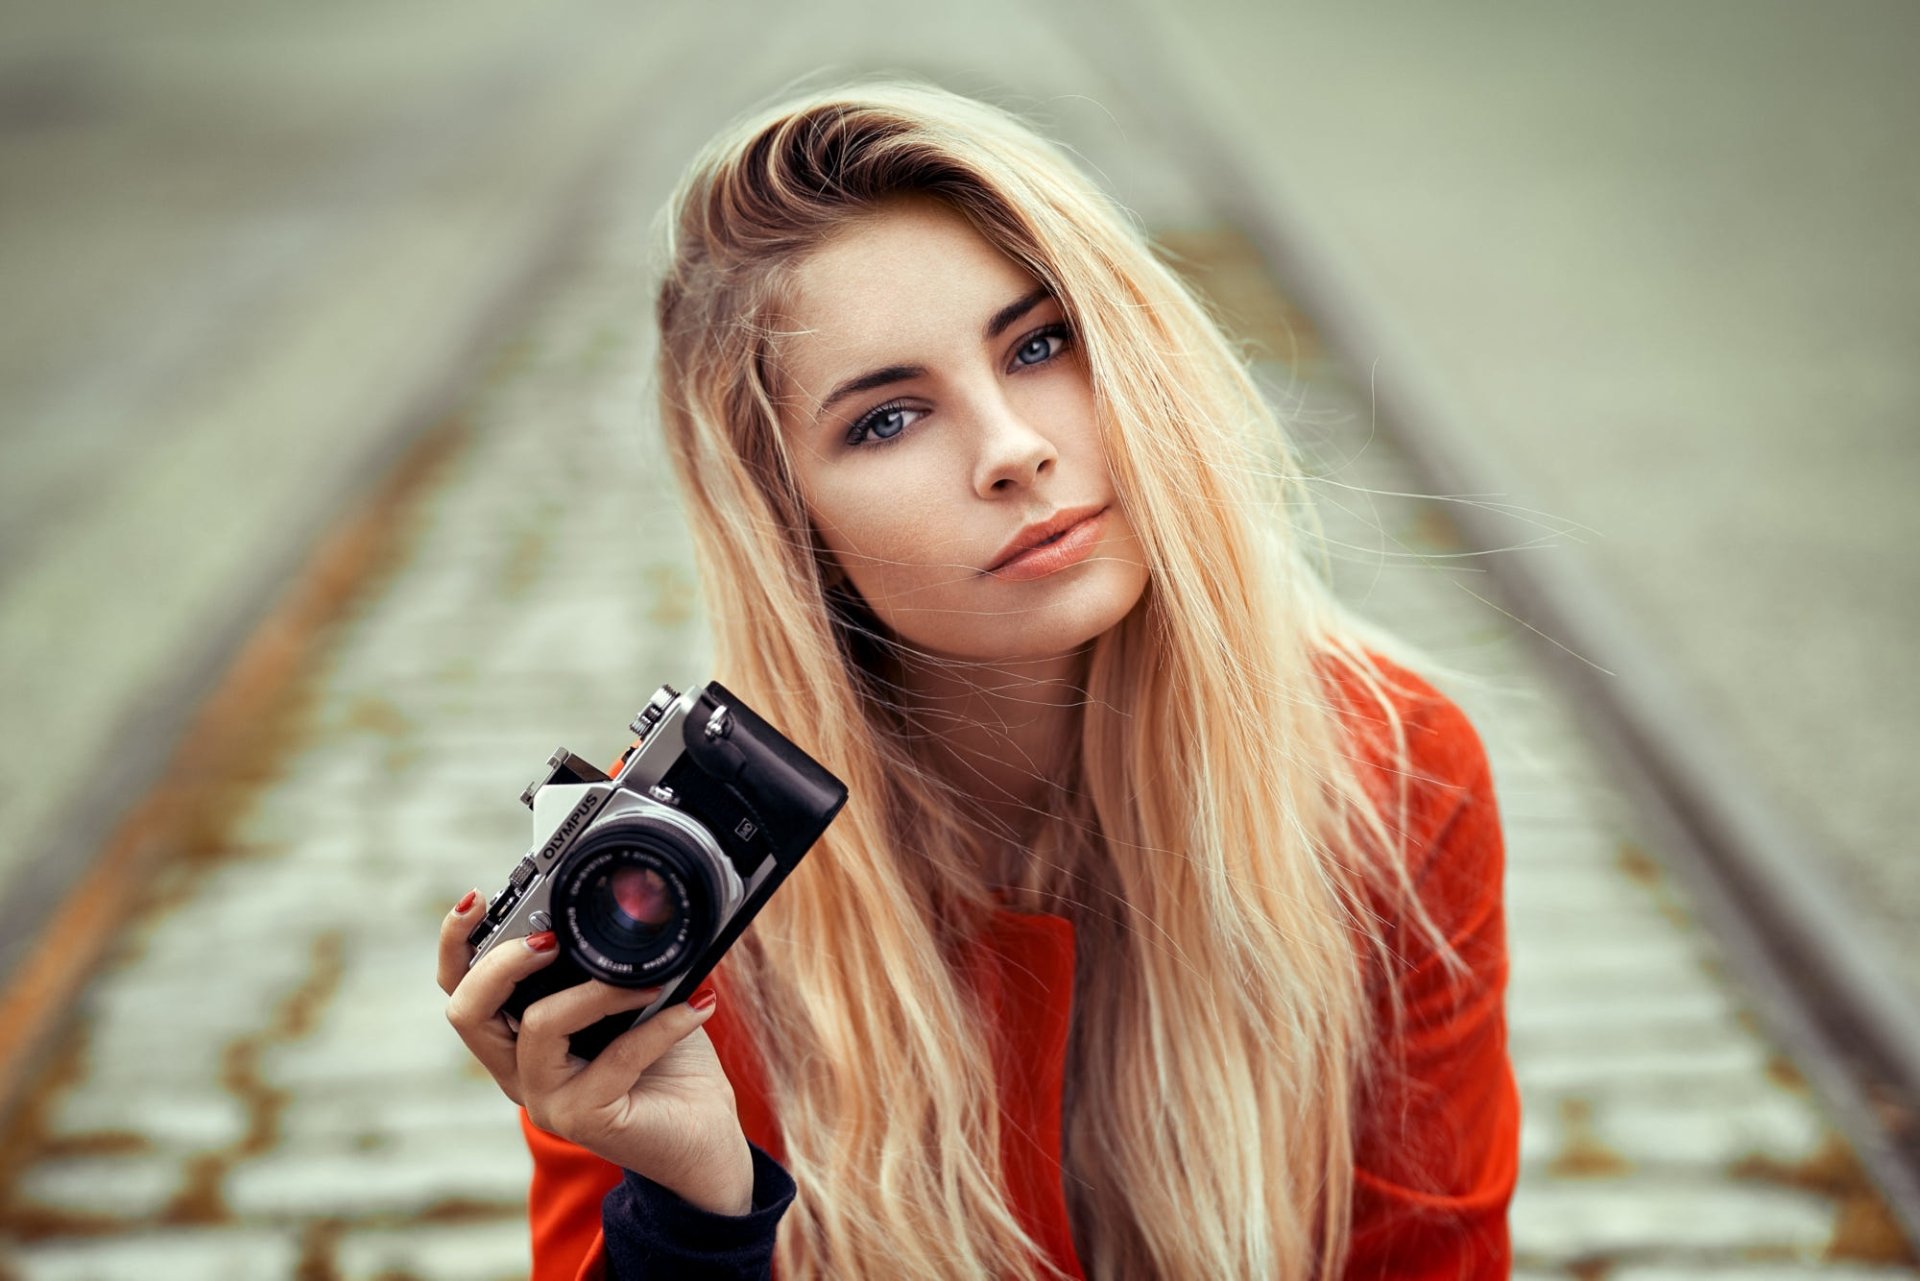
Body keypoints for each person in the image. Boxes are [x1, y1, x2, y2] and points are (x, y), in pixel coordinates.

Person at [438, 79, 1520, 1281]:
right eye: (888, 419)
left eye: (1040, 345)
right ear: (790, 522)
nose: (1013, 449)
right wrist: (693, 1214)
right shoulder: (670, 882)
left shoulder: (1387, 772)